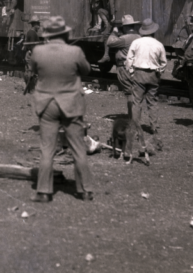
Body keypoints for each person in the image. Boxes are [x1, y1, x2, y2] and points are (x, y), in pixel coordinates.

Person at [27, 16, 94, 203]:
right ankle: (85, 190)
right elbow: (86, 70)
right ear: (65, 33)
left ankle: (43, 191)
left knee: (47, 149)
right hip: (71, 103)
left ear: (47, 35)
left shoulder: (38, 51)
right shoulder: (75, 51)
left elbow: (32, 69)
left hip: (47, 104)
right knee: (78, 148)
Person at [124, 18, 166, 144]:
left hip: (139, 73)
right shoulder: (159, 44)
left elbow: (129, 59)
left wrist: (131, 72)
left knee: (137, 102)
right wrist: (159, 71)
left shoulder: (136, 43)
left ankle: (136, 128)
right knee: (152, 102)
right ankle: (154, 128)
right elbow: (163, 62)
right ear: (154, 31)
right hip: (153, 74)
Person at [98, 15, 142, 117]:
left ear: (125, 27)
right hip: (137, 68)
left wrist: (114, 31)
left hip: (125, 68)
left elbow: (109, 42)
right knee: (136, 92)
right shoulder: (139, 37)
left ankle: (132, 117)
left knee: (129, 93)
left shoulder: (124, 39)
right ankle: (135, 116)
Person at [22, 15, 42, 93]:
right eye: (38, 24)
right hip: (31, 55)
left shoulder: (31, 32)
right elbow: (33, 47)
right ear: (35, 24)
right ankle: (31, 89)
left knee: (31, 72)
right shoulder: (32, 33)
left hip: (31, 54)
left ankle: (31, 89)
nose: (39, 26)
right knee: (30, 73)